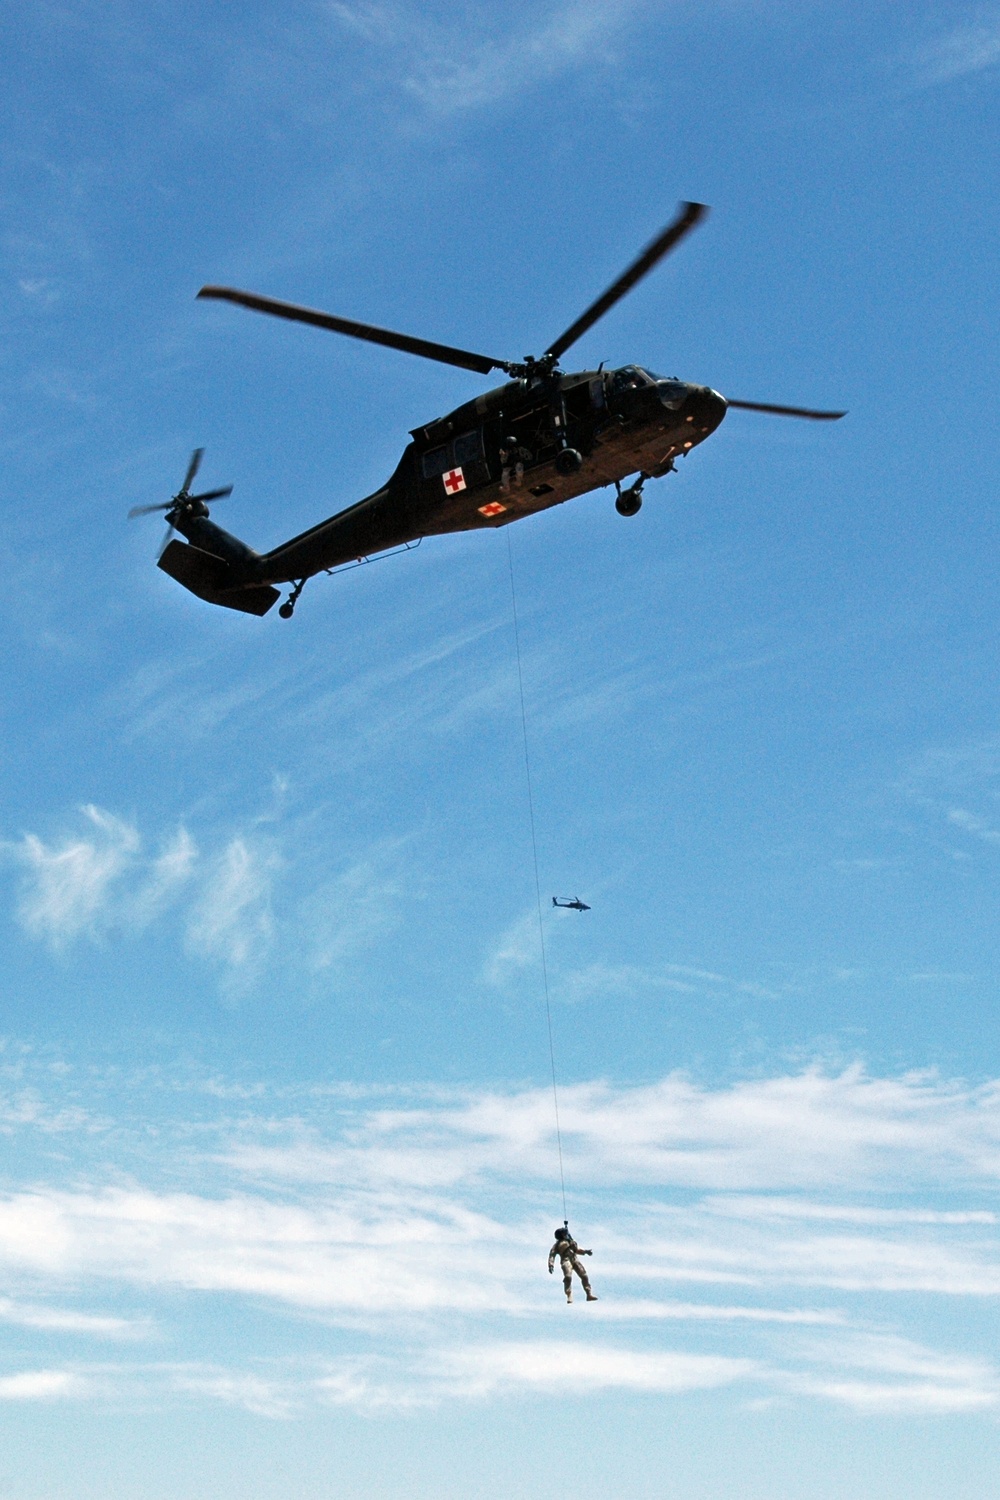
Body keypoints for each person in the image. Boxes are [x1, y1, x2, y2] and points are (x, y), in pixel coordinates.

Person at [548, 1225, 597, 1303]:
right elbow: (552, 1255)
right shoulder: (557, 1245)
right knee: (568, 1277)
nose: (565, 1234)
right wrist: (551, 1265)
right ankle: (569, 1294)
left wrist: (586, 1251)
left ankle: (588, 1294)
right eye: (564, 1233)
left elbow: (576, 1250)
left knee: (584, 1276)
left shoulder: (570, 1241)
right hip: (566, 1260)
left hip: (574, 1259)